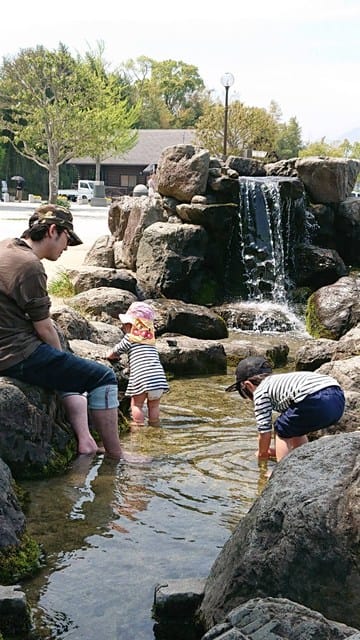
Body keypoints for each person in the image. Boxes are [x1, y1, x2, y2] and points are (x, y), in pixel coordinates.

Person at [0, 204, 139, 461]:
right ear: (53, 230)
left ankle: (87, 441)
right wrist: (63, 359)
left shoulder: (6, 246)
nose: (67, 248)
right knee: (103, 377)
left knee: (67, 368)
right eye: (67, 239)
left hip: (7, 344)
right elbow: (43, 327)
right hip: (15, 355)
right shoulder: (30, 265)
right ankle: (116, 455)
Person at [225, 355, 345, 462]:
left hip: (314, 398)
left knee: (281, 428)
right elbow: (294, 424)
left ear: (248, 385)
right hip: (337, 397)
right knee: (294, 428)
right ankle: (302, 459)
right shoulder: (280, 382)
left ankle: (281, 471)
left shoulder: (260, 392)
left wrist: (262, 454)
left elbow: (264, 432)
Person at [106, 301, 169, 428]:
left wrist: (110, 355)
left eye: (125, 325)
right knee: (154, 405)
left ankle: (138, 425)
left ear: (131, 325)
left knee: (136, 405)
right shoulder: (151, 341)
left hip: (142, 377)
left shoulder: (130, 338)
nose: (123, 327)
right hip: (159, 378)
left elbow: (115, 351)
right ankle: (154, 424)